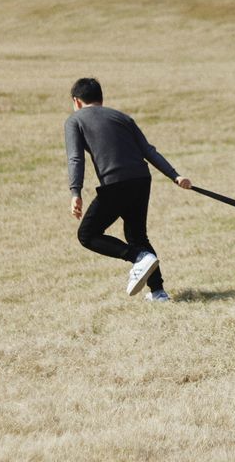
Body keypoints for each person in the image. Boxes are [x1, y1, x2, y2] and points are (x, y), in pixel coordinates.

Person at [64, 77, 191, 301]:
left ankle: (137, 257)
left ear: (76, 101)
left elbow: (76, 158)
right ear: (101, 98)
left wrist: (75, 192)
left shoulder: (75, 120)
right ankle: (158, 292)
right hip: (141, 179)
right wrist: (175, 175)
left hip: (115, 182)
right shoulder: (122, 117)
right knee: (137, 234)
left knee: (87, 234)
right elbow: (148, 151)